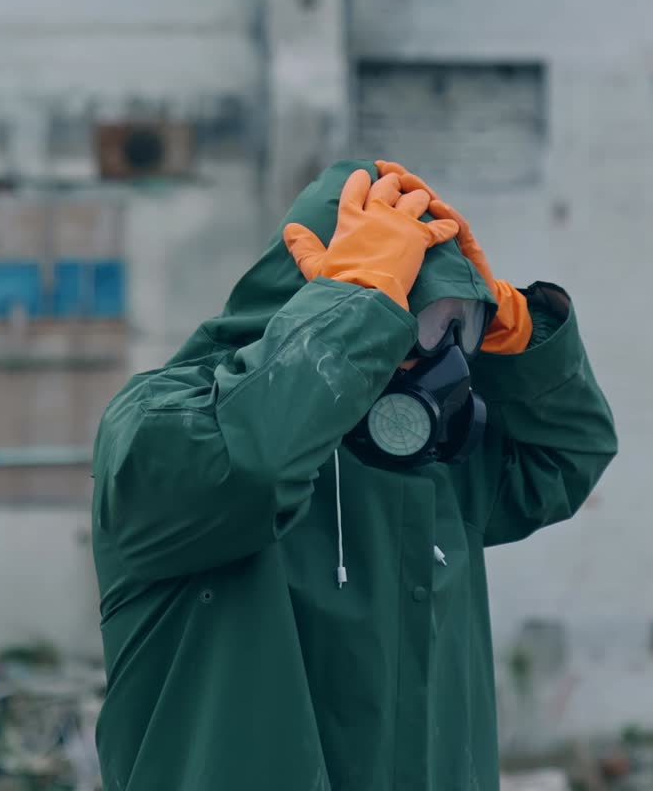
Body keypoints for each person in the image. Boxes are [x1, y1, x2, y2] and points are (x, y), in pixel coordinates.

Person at [90, 159, 617, 790]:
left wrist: (522, 334)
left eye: (459, 327)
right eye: (416, 319)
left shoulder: (430, 463)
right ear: (313, 296)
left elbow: (569, 456)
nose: (441, 359)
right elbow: (247, 466)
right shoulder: (161, 423)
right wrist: (353, 311)